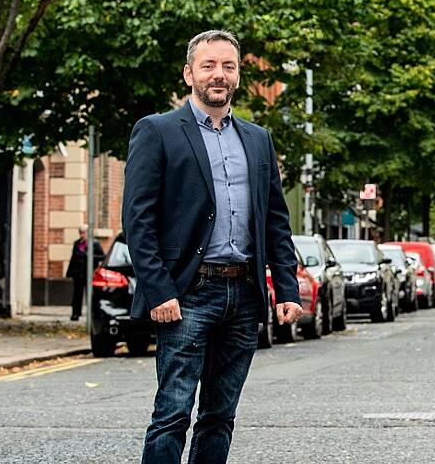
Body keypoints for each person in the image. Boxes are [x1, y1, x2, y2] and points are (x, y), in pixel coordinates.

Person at [123, 29, 304, 463]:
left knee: (220, 416)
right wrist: (158, 289)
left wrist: (288, 289)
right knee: (172, 413)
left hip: (243, 296)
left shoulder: (258, 138)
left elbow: (275, 220)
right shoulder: (158, 131)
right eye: (208, 66)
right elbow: (138, 220)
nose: (218, 75)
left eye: (227, 66)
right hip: (188, 294)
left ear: (238, 75)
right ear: (189, 74)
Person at [66, 226, 105, 321]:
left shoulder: (95, 243)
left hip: (89, 274)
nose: (82, 235)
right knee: (77, 295)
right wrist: (69, 272)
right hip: (78, 274)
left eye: (84, 233)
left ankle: (92, 314)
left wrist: (89, 256)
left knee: (91, 295)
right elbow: (73, 259)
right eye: (81, 233)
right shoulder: (77, 244)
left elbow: (102, 256)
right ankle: (75, 313)